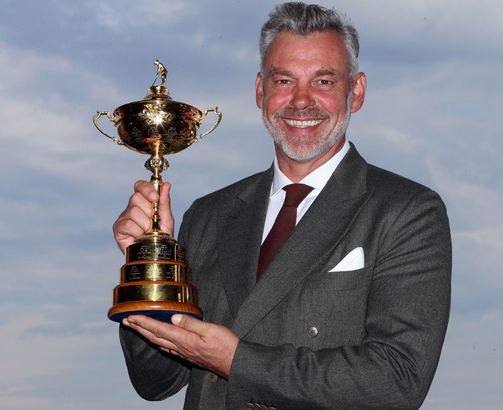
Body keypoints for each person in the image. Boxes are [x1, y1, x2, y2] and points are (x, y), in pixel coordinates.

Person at [114, 2, 451, 409]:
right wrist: (147, 265)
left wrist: (237, 361)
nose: (301, 101)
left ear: (356, 92)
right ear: (260, 92)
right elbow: (156, 381)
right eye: (284, 81)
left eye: (324, 81)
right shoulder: (209, 215)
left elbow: (398, 378)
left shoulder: (407, 211)